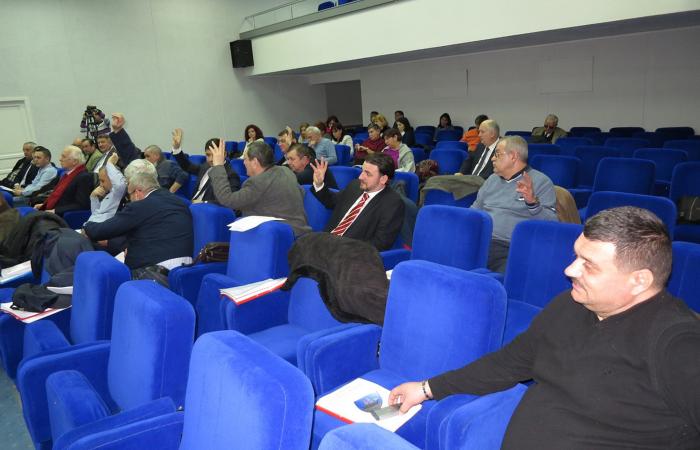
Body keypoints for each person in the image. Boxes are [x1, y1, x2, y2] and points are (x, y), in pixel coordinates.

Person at [390, 206, 700, 449]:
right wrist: (426, 388)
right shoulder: (570, 305)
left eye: (589, 265)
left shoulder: (678, 343)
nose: (570, 270)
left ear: (639, 280)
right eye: (576, 256)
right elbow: (506, 364)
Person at [472, 136, 557, 272]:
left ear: (513, 156)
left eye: (497, 154)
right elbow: (474, 211)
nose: (492, 158)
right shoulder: (492, 180)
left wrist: (532, 203)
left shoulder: (541, 182)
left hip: (508, 247)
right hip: (479, 240)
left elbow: (552, 224)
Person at [83, 168, 194, 271]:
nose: (129, 200)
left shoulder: (141, 205)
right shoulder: (177, 200)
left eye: (129, 195)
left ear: (137, 193)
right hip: (186, 265)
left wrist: (87, 227)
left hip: (155, 268)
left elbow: (104, 230)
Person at [208, 139, 311, 237]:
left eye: (245, 159)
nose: (244, 163)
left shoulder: (257, 182)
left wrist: (218, 166)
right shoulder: (286, 171)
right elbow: (301, 192)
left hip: (279, 238)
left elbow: (227, 199)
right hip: (301, 233)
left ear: (255, 162)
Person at [310, 152, 405, 251]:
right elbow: (332, 202)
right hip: (325, 241)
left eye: (367, 174)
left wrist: (346, 249)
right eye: (362, 171)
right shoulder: (355, 186)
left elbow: (380, 243)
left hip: (349, 252)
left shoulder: (392, 204)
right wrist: (319, 184)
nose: (360, 177)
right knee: (303, 243)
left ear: (383, 179)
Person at [171, 129, 240, 203]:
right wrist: (176, 149)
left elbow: (230, 202)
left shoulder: (231, 174)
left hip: (206, 208)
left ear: (224, 154)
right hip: (192, 204)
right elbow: (187, 166)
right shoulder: (205, 166)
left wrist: (204, 203)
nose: (210, 159)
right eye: (208, 155)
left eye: (214, 155)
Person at [35, 145, 93, 215]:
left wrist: (55, 211)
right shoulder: (67, 174)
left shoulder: (84, 177)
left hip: (63, 215)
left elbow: (82, 204)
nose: (60, 159)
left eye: (63, 157)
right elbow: (58, 196)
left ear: (74, 161)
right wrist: (44, 205)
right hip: (53, 210)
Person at [85, 152, 126, 224]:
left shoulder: (118, 192)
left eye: (103, 181)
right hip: (90, 226)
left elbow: (120, 184)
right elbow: (96, 214)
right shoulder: (108, 193)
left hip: (99, 228)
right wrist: (93, 197)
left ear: (112, 179)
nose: (100, 185)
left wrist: (109, 163)